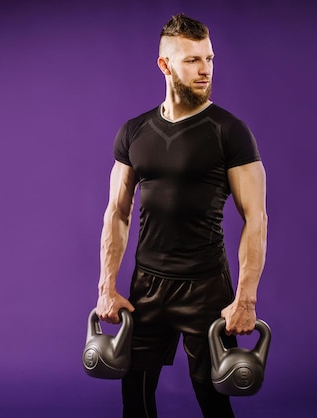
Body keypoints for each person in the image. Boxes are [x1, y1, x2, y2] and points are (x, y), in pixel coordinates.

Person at [95, 13, 268, 418]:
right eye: (192, 60)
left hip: (205, 287)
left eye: (208, 58)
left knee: (213, 396)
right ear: (165, 64)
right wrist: (107, 286)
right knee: (134, 397)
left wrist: (245, 298)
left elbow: (256, 218)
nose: (204, 69)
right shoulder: (134, 132)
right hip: (147, 287)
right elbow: (117, 213)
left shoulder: (230, 131)